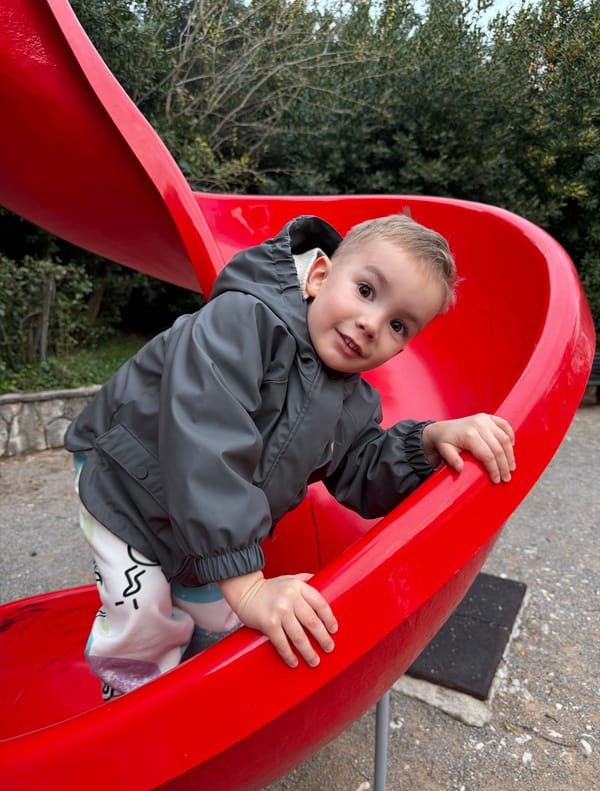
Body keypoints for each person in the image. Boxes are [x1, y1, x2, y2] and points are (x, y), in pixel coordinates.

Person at [65, 213, 516, 699]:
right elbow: (204, 439)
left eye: (398, 325)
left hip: (192, 524)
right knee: (143, 616)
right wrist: (249, 586)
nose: (371, 324)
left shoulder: (351, 401)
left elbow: (362, 469)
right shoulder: (242, 320)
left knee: (217, 613)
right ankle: (128, 709)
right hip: (126, 485)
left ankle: (188, 680)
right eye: (366, 291)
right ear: (320, 275)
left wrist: (427, 442)